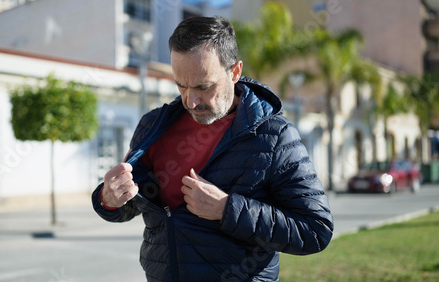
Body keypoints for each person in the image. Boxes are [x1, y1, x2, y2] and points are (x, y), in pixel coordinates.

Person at [92, 16, 333, 281]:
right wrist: (109, 199)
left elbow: (315, 230)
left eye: (203, 87)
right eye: (180, 86)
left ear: (235, 72)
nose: (191, 101)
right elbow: (133, 205)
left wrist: (227, 209)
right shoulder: (153, 126)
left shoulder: (276, 136)